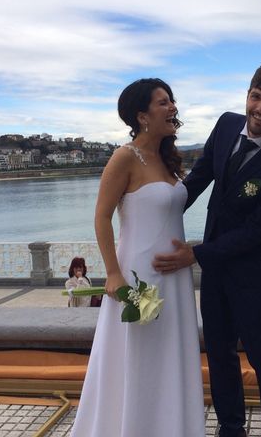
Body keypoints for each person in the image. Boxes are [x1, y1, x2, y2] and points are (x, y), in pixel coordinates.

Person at [153, 64, 261, 437]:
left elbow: (257, 231)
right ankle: (230, 427)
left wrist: (196, 254)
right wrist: (157, 212)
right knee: (220, 355)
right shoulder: (224, 125)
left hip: (253, 276)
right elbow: (200, 176)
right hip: (217, 273)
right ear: (248, 94)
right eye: (257, 96)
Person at [69, 79, 205, 437]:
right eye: (164, 102)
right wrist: (112, 274)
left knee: (169, 356)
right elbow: (101, 216)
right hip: (138, 277)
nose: (173, 107)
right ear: (143, 116)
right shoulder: (125, 157)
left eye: (172, 100)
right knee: (139, 358)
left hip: (174, 278)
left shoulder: (167, 159)